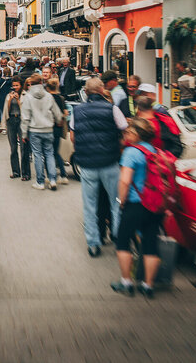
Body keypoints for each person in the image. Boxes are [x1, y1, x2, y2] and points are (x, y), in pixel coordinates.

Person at [70, 77, 128, 257]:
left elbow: (73, 137)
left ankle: (93, 243)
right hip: (110, 162)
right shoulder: (113, 109)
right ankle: (118, 235)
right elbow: (125, 132)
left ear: (86, 92)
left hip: (87, 165)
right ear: (102, 90)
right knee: (116, 201)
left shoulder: (77, 111)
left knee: (90, 205)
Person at [111, 118, 164, 299]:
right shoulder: (155, 151)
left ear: (136, 134)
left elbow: (125, 180)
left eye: (128, 132)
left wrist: (120, 200)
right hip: (154, 205)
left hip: (135, 203)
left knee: (123, 242)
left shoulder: (131, 152)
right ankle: (148, 286)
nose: (125, 135)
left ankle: (126, 282)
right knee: (150, 244)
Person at [21, 74, 64, 190]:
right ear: (41, 83)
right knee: (49, 154)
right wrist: (59, 120)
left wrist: (24, 134)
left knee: (37, 155)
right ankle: (53, 180)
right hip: (48, 129)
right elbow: (57, 112)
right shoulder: (49, 96)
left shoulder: (28, 97)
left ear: (31, 84)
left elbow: (25, 117)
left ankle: (40, 182)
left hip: (34, 129)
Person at [3, 78, 31, 181]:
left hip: (21, 120)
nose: (15, 87)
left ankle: (26, 173)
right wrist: (10, 99)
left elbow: (25, 110)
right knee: (13, 147)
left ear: (21, 86)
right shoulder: (9, 95)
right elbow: (7, 109)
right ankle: (15, 171)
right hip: (11, 120)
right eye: (14, 85)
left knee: (24, 148)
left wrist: (18, 100)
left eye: (17, 85)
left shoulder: (25, 95)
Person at [45, 78, 69, 184]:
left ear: (48, 88)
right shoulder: (61, 98)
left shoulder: (48, 98)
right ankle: (63, 174)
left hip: (49, 127)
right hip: (58, 128)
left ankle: (50, 175)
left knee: (47, 152)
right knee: (56, 152)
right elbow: (64, 113)